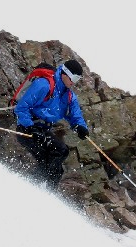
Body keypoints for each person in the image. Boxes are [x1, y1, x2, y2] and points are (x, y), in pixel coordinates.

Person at [14, 59, 89, 189]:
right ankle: (36, 187)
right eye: (74, 78)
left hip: (42, 129)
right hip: (27, 128)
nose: (74, 83)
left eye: (77, 80)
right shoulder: (44, 85)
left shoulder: (68, 95)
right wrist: (30, 128)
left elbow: (75, 114)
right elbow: (21, 108)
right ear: (65, 74)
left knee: (58, 158)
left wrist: (81, 127)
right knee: (56, 153)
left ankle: (43, 189)